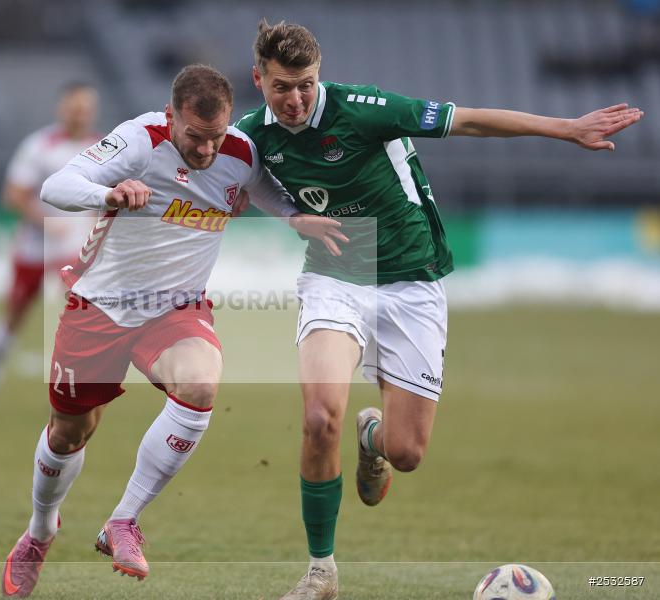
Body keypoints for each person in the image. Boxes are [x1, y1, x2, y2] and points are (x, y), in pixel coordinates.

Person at [234, 20, 644, 600]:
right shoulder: (251, 135)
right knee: (320, 414)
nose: (295, 99)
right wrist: (291, 218)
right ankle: (321, 571)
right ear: (259, 80)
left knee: (407, 454)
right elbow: (237, 180)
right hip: (336, 275)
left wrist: (565, 128)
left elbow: (468, 119)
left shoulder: (367, 109)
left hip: (410, 279)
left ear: (318, 75)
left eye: (305, 84)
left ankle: (374, 437)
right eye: (281, 87)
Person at [0, 64, 345, 599]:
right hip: (100, 308)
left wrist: (296, 219)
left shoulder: (240, 150)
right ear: (170, 117)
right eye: (194, 137)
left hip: (175, 309)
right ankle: (41, 530)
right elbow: (55, 186)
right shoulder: (139, 141)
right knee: (71, 432)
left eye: (216, 137)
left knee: (201, 386)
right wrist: (109, 194)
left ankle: (123, 520)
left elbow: (263, 190)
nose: (207, 151)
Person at [0, 83, 101, 420]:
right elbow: (13, 194)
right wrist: (44, 220)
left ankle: (68, 398)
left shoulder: (104, 147)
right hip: (34, 248)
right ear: (61, 108)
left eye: (85, 106)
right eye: (74, 106)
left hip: (75, 251)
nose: (80, 112)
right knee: (14, 315)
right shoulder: (39, 146)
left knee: (77, 319)